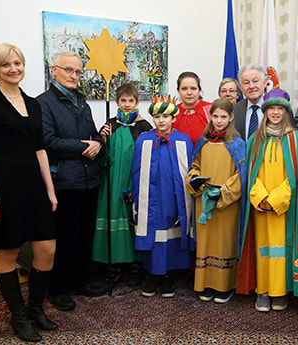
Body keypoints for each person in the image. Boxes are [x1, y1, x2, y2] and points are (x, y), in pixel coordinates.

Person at [0, 43, 58, 342]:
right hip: (5, 187)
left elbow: (40, 150)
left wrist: (50, 190)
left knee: (47, 247)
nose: (14, 69)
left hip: (35, 185)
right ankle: (18, 316)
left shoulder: (34, 104)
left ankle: (35, 308)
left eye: (18, 63)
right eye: (6, 65)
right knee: (7, 250)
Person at [37, 51, 106, 312]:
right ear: (54, 70)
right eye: (68, 70)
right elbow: (47, 142)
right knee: (65, 238)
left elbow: (93, 135)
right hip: (63, 182)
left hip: (89, 180)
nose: (74, 76)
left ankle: (80, 281)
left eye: (78, 72)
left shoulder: (82, 102)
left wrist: (98, 144)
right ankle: (58, 289)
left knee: (84, 235)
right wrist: (82, 146)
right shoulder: (43, 103)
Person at [237, 89, 298, 312]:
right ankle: (263, 291)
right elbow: (250, 174)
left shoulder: (296, 139)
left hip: (282, 208)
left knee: (281, 249)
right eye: (271, 109)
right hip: (260, 206)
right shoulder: (255, 140)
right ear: (265, 112)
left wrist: (276, 199)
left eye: (280, 109)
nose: (275, 113)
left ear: (286, 112)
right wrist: (260, 197)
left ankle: (280, 292)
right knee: (264, 249)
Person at [91, 84, 153, 288]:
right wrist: (102, 140)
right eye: (123, 101)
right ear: (117, 102)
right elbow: (100, 155)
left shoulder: (144, 127)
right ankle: (114, 266)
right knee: (114, 218)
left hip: (135, 181)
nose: (127, 105)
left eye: (131, 101)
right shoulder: (110, 125)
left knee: (135, 221)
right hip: (113, 181)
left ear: (137, 102)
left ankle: (136, 266)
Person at [186, 98, 247, 304]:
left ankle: (224, 286)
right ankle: (205, 283)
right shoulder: (203, 142)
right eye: (215, 116)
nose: (219, 121)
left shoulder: (237, 144)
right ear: (210, 117)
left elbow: (241, 176)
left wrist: (223, 192)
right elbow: (194, 166)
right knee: (206, 243)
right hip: (204, 200)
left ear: (231, 118)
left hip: (225, 205)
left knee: (224, 243)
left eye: (223, 117)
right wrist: (195, 181)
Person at [132, 100, 194, 299]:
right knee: (153, 233)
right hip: (151, 197)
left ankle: (168, 276)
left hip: (173, 196)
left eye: (165, 117)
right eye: (157, 117)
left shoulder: (183, 141)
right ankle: (154, 275)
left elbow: (190, 170)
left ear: (173, 118)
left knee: (171, 234)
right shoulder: (144, 140)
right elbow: (136, 170)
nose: (161, 121)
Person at [172, 71, 212, 146]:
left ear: (199, 90)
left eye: (193, 88)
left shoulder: (211, 109)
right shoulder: (172, 111)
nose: (189, 92)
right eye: (184, 89)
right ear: (178, 90)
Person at [233, 64, 268, 141]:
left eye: (255, 81)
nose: (251, 86)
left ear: (264, 83)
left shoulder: (279, 108)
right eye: (246, 83)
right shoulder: (234, 110)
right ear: (241, 87)